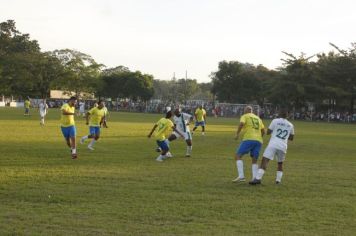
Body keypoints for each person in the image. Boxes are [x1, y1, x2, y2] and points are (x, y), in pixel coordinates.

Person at [249, 109, 295, 185]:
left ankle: (258, 179)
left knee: (265, 160)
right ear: (287, 116)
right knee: (280, 163)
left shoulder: (275, 121)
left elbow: (268, 132)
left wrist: (274, 131)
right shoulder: (290, 125)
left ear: (279, 114)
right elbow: (291, 138)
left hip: (273, 144)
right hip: (283, 146)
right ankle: (278, 181)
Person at [232, 106, 265, 182]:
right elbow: (263, 131)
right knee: (254, 160)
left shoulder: (245, 116)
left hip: (249, 138)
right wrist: (258, 138)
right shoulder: (258, 118)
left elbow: (241, 124)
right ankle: (254, 178)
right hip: (259, 140)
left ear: (246, 111)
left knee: (238, 156)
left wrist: (237, 134)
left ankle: (241, 176)